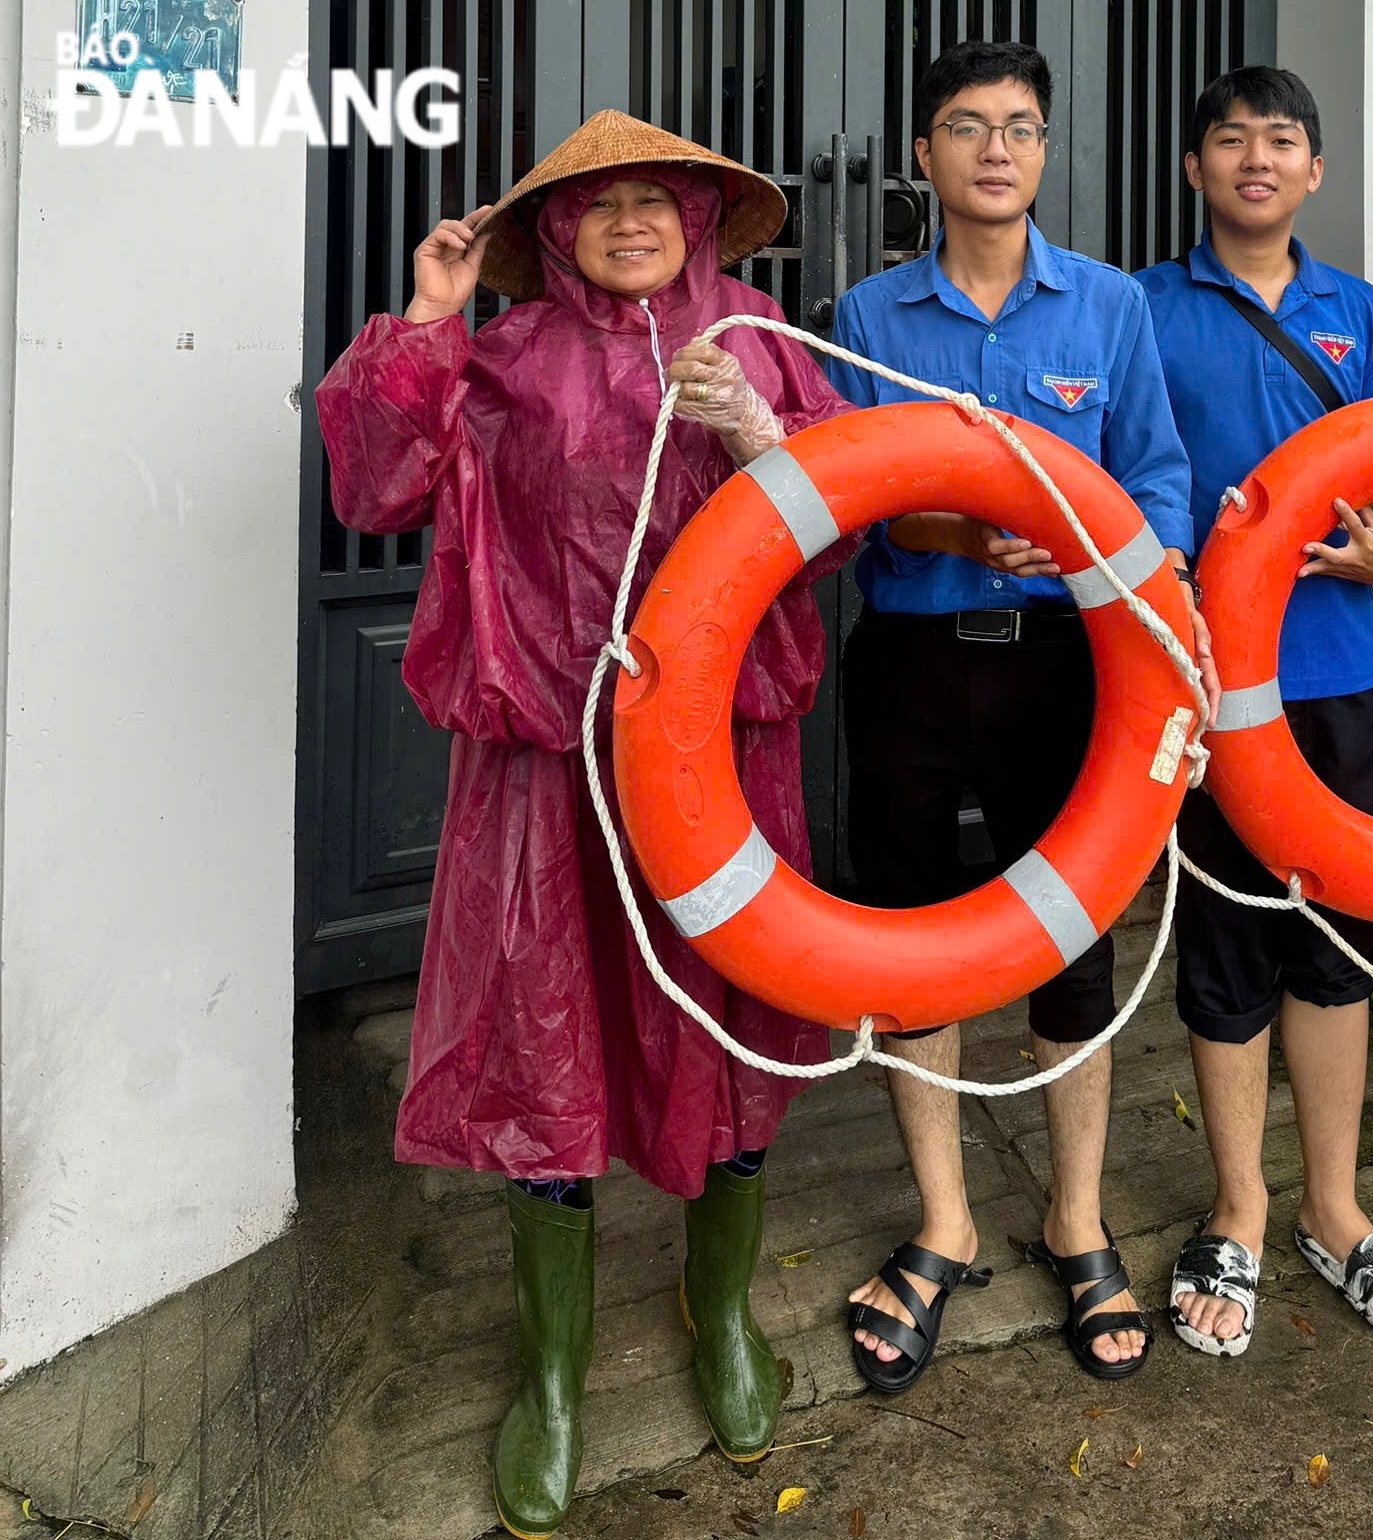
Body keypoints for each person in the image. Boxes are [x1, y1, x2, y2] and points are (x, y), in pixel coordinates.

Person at [315, 111, 853, 1537]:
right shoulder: (504, 358)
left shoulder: (761, 338)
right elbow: (377, 487)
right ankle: (551, 1376)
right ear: (554, 228)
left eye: (656, 202)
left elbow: (849, 512)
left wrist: (764, 437)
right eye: (599, 205)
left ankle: (720, 1316)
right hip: (547, 765)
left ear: (698, 215)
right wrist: (430, 315)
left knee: (724, 1030)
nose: (630, 223)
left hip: (726, 758)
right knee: (541, 1047)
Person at [825, 39, 1212, 1391]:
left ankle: (1075, 1217)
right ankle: (942, 1223)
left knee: (1076, 943)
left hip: (1067, 669)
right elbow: (843, 501)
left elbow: (1159, 482)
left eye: (1022, 127)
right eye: (966, 127)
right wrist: (962, 527)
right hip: (915, 662)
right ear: (922, 156)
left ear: (1046, 153)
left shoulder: (1107, 309)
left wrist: (1108, 554)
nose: (998, 149)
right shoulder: (867, 318)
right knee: (914, 942)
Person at [1136, 66, 1373, 1356]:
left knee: (1334, 948)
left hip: (1335, 680)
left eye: (1282, 140)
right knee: (1224, 943)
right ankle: (1240, 1205)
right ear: (1197, 168)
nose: (1256, 159)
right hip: (1206, 689)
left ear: (1316, 172)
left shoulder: (1359, 313)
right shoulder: (1140, 308)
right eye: (1230, 139)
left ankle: (1333, 1201)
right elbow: (1121, 488)